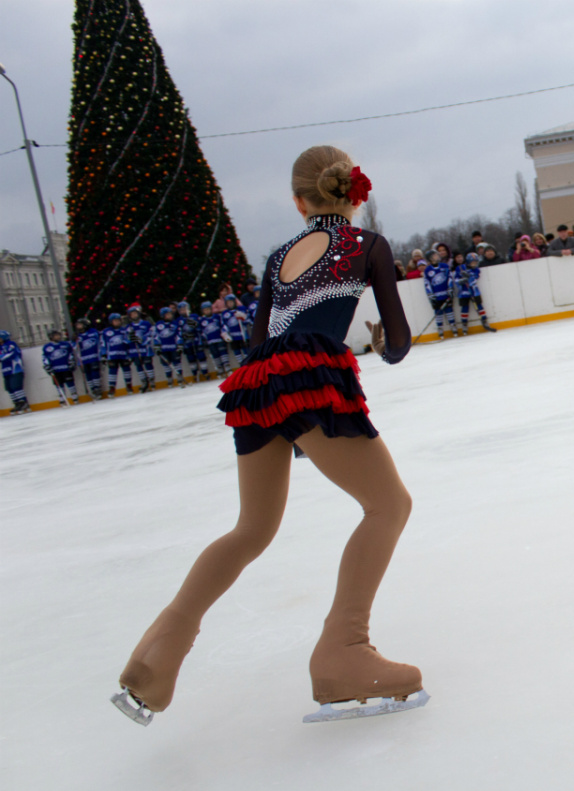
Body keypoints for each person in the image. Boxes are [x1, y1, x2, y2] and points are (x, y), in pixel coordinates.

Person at [112, 145, 423, 727]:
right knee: (389, 505)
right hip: (309, 379)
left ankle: (159, 652)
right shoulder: (366, 246)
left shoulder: (279, 254)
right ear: (354, 195)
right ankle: (344, 652)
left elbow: (260, 340)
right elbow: (399, 344)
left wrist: (289, 423)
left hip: (257, 386)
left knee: (251, 529)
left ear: (297, 201)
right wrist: (382, 344)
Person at [455, 252, 497, 334]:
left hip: (474, 291)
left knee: (480, 306)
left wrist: (469, 278)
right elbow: (456, 280)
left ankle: (484, 320)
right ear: (468, 261)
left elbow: (474, 279)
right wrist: (461, 281)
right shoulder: (459, 268)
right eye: (472, 262)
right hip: (464, 292)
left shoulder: (476, 270)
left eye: (475, 262)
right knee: (465, 308)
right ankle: (464, 323)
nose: (474, 264)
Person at [99, 312, 135, 396]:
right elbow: (103, 344)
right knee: (112, 371)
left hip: (124, 354)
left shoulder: (124, 330)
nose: (117, 322)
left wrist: (131, 352)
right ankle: (112, 388)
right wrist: (104, 355)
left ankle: (129, 385)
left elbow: (129, 342)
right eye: (115, 321)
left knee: (127, 370)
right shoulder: (106, 332)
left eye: (118, 320)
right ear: (111, 322)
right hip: (112, 355)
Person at [423, 253, 457, 338]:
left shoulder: (444, 266)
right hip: (436, 296)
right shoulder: (427, 270)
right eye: (434, 256)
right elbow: (427, 283)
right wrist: (430, 295)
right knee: (438, 312)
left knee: (449, 310)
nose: (437, 257)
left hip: (446, 293)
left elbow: (449, 277)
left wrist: (450, 288)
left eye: (436, 255)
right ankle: (440, 328)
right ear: (430, 259)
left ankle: (453, 326)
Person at [152, 306, 187, 388]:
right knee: (166, 364)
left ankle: (179, 377)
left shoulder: (175, 324)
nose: (170, 316)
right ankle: (169, 378)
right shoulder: (158, 325)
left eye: (170, 314)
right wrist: (157, 346)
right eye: (168, 314)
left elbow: (179, 335)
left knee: (177, 362)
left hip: (174, 347)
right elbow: (156, 336)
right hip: (164, 349)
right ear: (163, 316)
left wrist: (180, 345)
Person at [42, 329, 79, 406]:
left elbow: (71, 353)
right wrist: (47, 366)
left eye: (58, 335)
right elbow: (45, 358)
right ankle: (62, 397)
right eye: (56, 335)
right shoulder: (47, 347)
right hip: (55, 369)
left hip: (66, 367)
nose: (58, 336)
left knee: (70, 382)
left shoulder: (66, 344)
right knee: (59, 384)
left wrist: (71, 362)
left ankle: (74, 395)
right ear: (51, 337)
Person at [126, 304, 156, 393]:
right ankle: (144, 381)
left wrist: (142, 339)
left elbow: (150, 334)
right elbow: (125, 339)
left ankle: (151, 380)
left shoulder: (146, 323)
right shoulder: (129, 327)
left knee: (148, 364)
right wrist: (130, 339)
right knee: (139, 366)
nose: (134, 315)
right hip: (135, 350)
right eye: (132, 314)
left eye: (135, 313)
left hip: (145, 349)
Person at [198, 301, 230, 378]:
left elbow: (223, 326)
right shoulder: (202, 320)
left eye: (208, 309)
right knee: (215, 355)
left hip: (219, 339)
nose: (206, 311)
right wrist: (204, 340)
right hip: (210, 341)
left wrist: (225, 334)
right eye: (204, 310)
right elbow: (201, 332)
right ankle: (220, 369)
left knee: (223, 353)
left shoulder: (217, 317)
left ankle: (227, 368)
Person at [74, 317, 104, 400]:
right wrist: (75, 341)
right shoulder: (77, 336)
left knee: (95, 373)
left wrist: (102, 354)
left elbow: (99, 341)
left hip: (94, 357)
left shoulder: (93, 332)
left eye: (80, 325)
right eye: (78, 325)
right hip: (83, 359)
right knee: (88, 375)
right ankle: (93, 389)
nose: (78, 327)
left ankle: (97, 388)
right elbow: (75, 348)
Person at [1, 330, 30, 414]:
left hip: (15, 369)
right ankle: (16, 403)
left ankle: (23, 403)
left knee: (16, 386)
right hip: (6, 371)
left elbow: (13, 354)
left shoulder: (11, 344)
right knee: (9, 388)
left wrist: (1, 357)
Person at [177, 300, 205, 383]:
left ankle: (205, 372)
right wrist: (185, 336)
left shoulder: (194, 316)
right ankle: (195, 373)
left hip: (197, 341)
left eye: (185, 309)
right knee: (191, 358)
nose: (183, 311)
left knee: (201, 356)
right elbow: (179, 332)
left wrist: (194, 325)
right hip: (187, 343)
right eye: (181, 310)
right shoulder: (179, 320)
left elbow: (199, 328)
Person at [220, 294, 251, 367]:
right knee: (236, 351)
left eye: (231, 302)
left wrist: (243, 317)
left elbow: (249, 321)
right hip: (233, 336)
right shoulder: (225, 313)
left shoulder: (242, 309)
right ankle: (241, 365)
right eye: (228, 302)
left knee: (246, 350)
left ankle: (249, 364)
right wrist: (225, 333)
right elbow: (224, 325)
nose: (230, 304)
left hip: (243, 335)